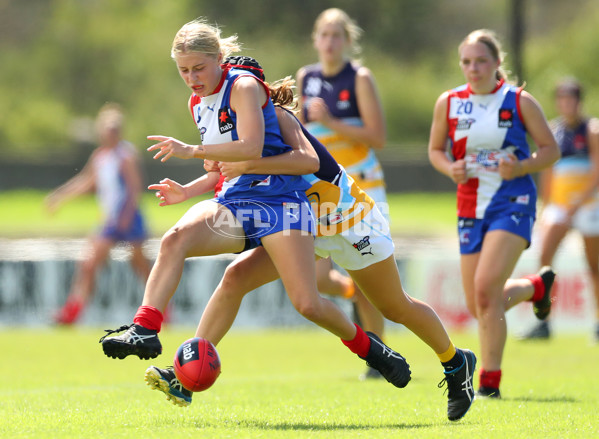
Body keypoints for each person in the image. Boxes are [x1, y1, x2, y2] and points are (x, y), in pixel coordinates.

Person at [143, 55, 477, 422]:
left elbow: (306, 163)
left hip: (346, 218)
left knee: (394, 306)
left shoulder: (280, 121)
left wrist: (242, 163)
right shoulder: (235, 131)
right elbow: (230, 174)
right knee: (235, 278)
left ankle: (455, 360)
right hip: (297, 222)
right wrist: (193, 188)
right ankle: (185, 378)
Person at [99, 19, 411, 392]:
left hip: (282, 203)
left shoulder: (244, 88)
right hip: (236, 200)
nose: (192, 78)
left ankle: (371, 349)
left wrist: (191, 150)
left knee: (308, 304)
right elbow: (223, 168)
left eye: (199, 68)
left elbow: (249, 148)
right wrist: (188, 189)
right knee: (176, 239)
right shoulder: (197, 103)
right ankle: (146, 329)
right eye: (184, 70)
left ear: (220, 59)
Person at [427, 29, 561, 398]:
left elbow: (550, 150)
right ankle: (535, 287)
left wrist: (521, 167)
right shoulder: (449, 102)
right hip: (470, 205)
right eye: (467, 62)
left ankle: (489, 382)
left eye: (481, 61)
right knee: (479, 303)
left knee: (486, 290)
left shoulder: (518, 100)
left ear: (497, 62)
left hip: (512, 203)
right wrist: (448, 168)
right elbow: (436, 150)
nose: (473, 68)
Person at [296, 8, 387, 377]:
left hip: (364, 188)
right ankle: (353, 294)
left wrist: (332, 122)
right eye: (324, 35)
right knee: (317, 278)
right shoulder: (306, 78)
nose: (330, 42)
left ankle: (378, 359)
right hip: (323, 192)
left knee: (369, 275)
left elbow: (377, 137)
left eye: (337, 36)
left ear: (348, 41)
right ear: (316, 40)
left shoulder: (359, 78)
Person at [45, 103, 152, 325]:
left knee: (140, 266)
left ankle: (160, 310)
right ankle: (73, 312)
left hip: (127, 217)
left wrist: (125, 217)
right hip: (111, 219)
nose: (111, 133)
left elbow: (134, 188)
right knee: (90, 264)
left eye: (115, 129)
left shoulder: (125, 155)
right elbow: (86, 182)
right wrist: (60, 196)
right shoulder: (100, 156)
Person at [521, 78, 599, 341]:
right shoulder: (554, 130)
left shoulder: (592, 130)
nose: (566, 104)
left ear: (579, 101)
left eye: (571, 99)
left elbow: (596, 172)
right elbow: (548, 173)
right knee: (544, 260)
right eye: (562, 99)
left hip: (587, 206)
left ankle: (598, 323)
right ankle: (543, 321)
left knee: (594, 265)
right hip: (560, 207)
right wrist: (547, 206)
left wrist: (576, 204)